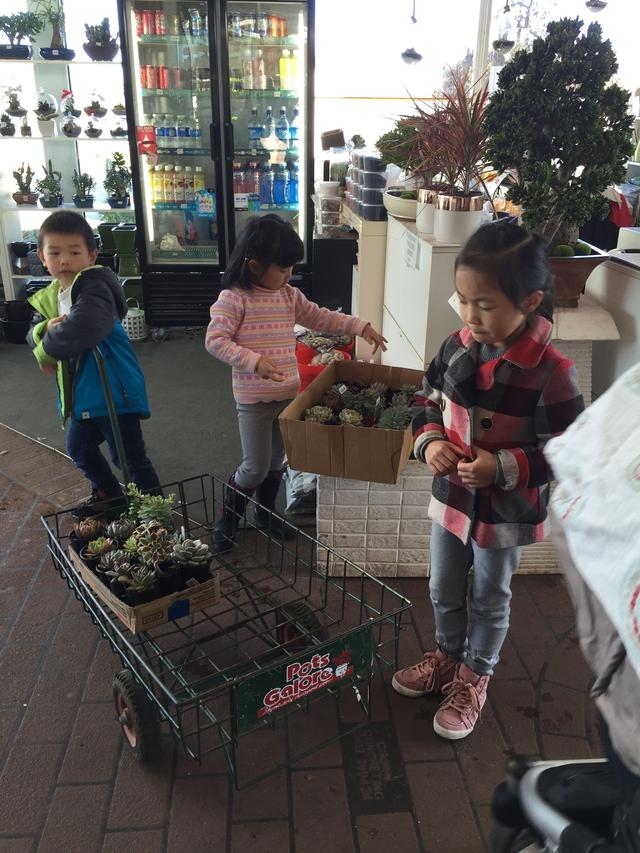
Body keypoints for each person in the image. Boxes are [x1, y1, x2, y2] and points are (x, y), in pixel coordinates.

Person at [391, 220, 584, 740]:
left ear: (530, 300)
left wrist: (502, 468)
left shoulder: (552, 371)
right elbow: (423, 398)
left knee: (492, 595)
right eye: (464, 300)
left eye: (486, 304)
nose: (471, 316)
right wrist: (429, 440)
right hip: (451, 499)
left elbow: (570, 452)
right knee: (442, 584)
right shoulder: (455, 346)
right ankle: (447, 657)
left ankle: (475, 676)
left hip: (505, 512)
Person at [205, 213, 387, 553]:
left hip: (288, 396)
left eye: (291, 269)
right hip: (254, 402)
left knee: (277, 462)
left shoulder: (287, 295)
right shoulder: (234, 298)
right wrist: (253, 361)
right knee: (254, 466)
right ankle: (227, 519)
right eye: (283, 269)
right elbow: (215, 340)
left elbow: (319, 316)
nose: (289, 276)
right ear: (255, 266)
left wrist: (358, 325)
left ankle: (265, 513)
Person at [27, 210, 160, 504]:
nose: (64, 260)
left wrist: (44, 350)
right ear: (42, 256)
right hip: (83, 397)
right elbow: (33, 330)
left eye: (74, 252)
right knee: (80, 450)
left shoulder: (94, 287)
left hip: (113, 395)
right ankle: (109, 495)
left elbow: (83, 328)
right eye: (55, 252)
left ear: (92, 255)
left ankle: (157, 518)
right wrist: (42, 333)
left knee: (130, 460)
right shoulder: (51, 295)